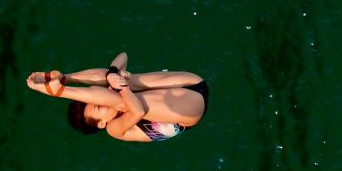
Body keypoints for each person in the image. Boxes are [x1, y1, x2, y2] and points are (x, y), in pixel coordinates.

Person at [26, 52, 208, 142]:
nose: (102, 101)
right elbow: (137, 111)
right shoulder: (114, 129)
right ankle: (60, 91)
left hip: (193, 83)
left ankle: (66, 78)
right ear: (100, 123)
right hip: (190, 110)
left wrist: (112, 73)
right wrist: (121, 86)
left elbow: (123, 55)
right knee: (124, 102)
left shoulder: (112, 94)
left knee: (116, 80)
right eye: (98, 106)